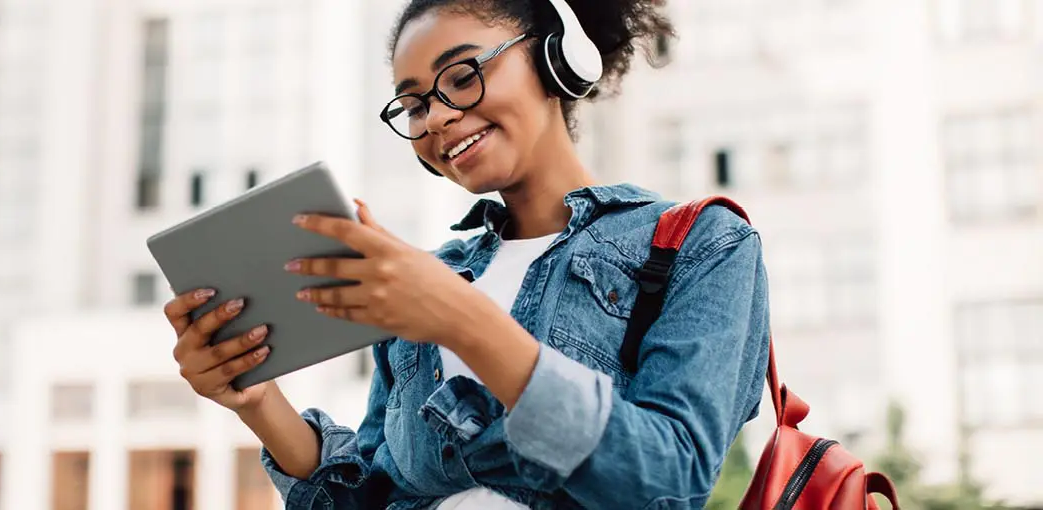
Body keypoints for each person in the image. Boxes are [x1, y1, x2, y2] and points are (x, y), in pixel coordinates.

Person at [163, 0, 770, 507]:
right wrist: (258, 400)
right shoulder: (428, 279)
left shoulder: (701, 245)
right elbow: (379, 496)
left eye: (462, 75)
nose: (441, 117)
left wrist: (461, 317)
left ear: (556, 59)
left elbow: (668, 482)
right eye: (416, 104)